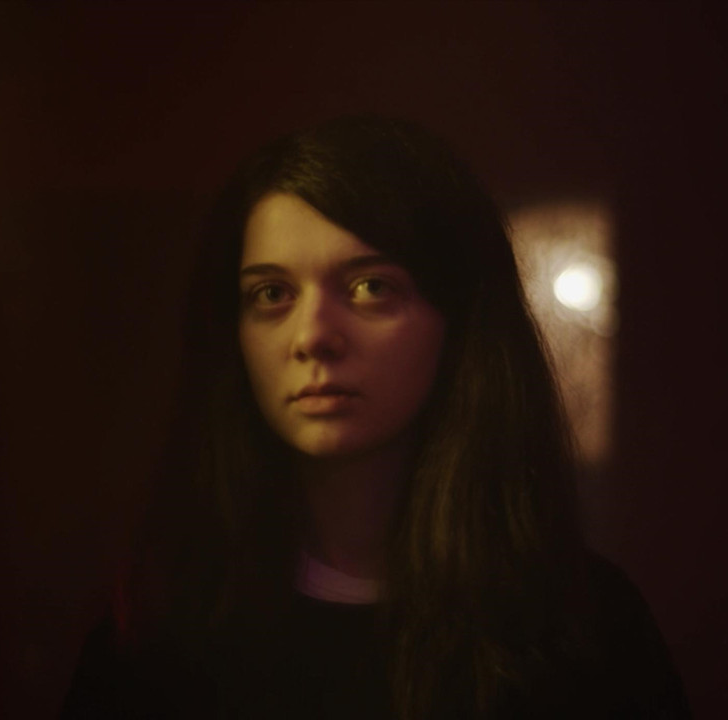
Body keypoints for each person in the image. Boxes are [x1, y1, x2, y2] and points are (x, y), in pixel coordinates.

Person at [61, 116, 689, 718]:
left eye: (370, 287)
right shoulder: (154, 638)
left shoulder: (586, 634)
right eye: (272, 293)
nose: (313, 336)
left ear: (457, 323)